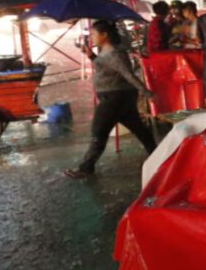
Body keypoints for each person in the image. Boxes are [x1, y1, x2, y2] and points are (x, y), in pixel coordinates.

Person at [64, 20, 156, 178]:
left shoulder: (115, 53)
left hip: (114, 98)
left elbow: (128, 75)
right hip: (120, 97)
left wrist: (147, 93)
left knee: (98, 132)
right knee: (140, 130)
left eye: (94, 34)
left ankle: (86, 168)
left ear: (104, 35)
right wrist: (91, 55)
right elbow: (107, 66)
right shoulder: (107, 51)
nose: (91, 37)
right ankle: (158, 155)